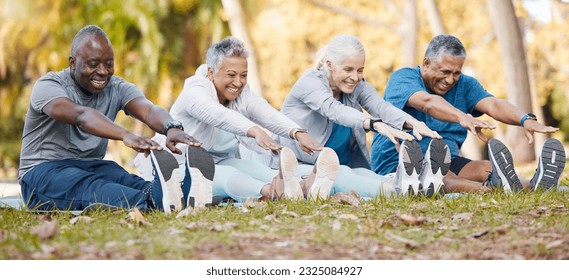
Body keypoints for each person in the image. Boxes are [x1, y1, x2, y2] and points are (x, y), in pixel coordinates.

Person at [18, 25, 203, 213]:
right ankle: (151, 201)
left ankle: (177, 194)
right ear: (72, 63)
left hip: (91, 166)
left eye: (108, 64)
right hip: (41, 174)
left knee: (121, 177)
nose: (103, 71)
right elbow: (81, 115)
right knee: (91, 186)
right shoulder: (48, 85)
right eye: (93, 64)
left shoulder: (116, 87)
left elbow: (148, 110)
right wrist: (125, 134)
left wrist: (171, 127)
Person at [135, 37, 340, 203]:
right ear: (211, 72)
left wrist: (297, 132)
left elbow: (264, 111)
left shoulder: (240, 92)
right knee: (226, 176)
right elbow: (217, 114)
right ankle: (274, 192)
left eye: (244, 75)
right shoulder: (194, 91)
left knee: (256, 169)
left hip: (215, 160)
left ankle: (305, 187)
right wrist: (254, 130)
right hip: (174, 168)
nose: (238, 82)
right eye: (231, 75)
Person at [371, 34, 566, 193]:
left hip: (447, 159)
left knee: (487, 168)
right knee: (443, 178)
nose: (450, 79)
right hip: (401, 162)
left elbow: (494, 104)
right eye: (445, 71)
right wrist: (462, 117)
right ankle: (488, 189)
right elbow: (427, 103)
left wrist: (524, 119)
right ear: (426, 63)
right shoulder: (403, 78)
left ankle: (535, 186)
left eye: (456, 73)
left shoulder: (465, 84)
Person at [279, 34, 447, 198]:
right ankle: (398, 189)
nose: (355, 77)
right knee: (343, 176)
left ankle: (418, 182)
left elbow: (380, 106)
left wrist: (412, 122)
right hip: (302, 167)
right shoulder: (310, 82)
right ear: (329, 64)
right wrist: (374, 124)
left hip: (343, 166)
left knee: (365, 175)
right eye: (348, 70)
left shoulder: (356, 85)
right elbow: (334, 110)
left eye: (360, 70)